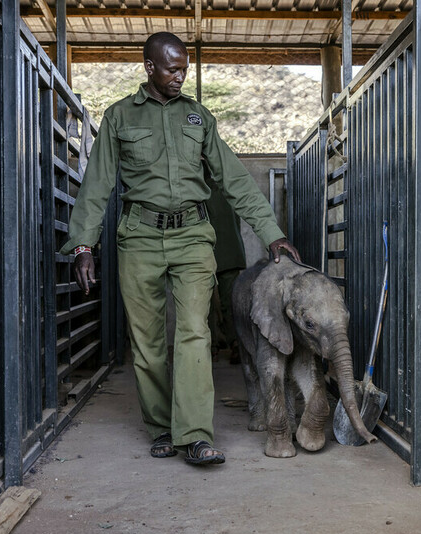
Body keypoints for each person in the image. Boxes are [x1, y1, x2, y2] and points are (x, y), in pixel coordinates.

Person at [61, 32, 300, 466]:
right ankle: (160, 427)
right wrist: (82, 244)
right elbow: (97, 185)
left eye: (185, 69)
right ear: (149, 67)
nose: (180, 77)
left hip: (192, 236)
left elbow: (234, 179)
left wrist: (271, 231)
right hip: (139, 237)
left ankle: (194, 435)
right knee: (148, 340)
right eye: (172, 69)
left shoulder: (199, 118)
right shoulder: (119, 118)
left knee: (194, 331)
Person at [203, 162, 246, 364]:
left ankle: (210, 347)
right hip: (230, 251)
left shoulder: (197, 191)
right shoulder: (227, 188)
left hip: (205, 252)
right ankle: (237, 344)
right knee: (231, 302)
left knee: (205, 303)